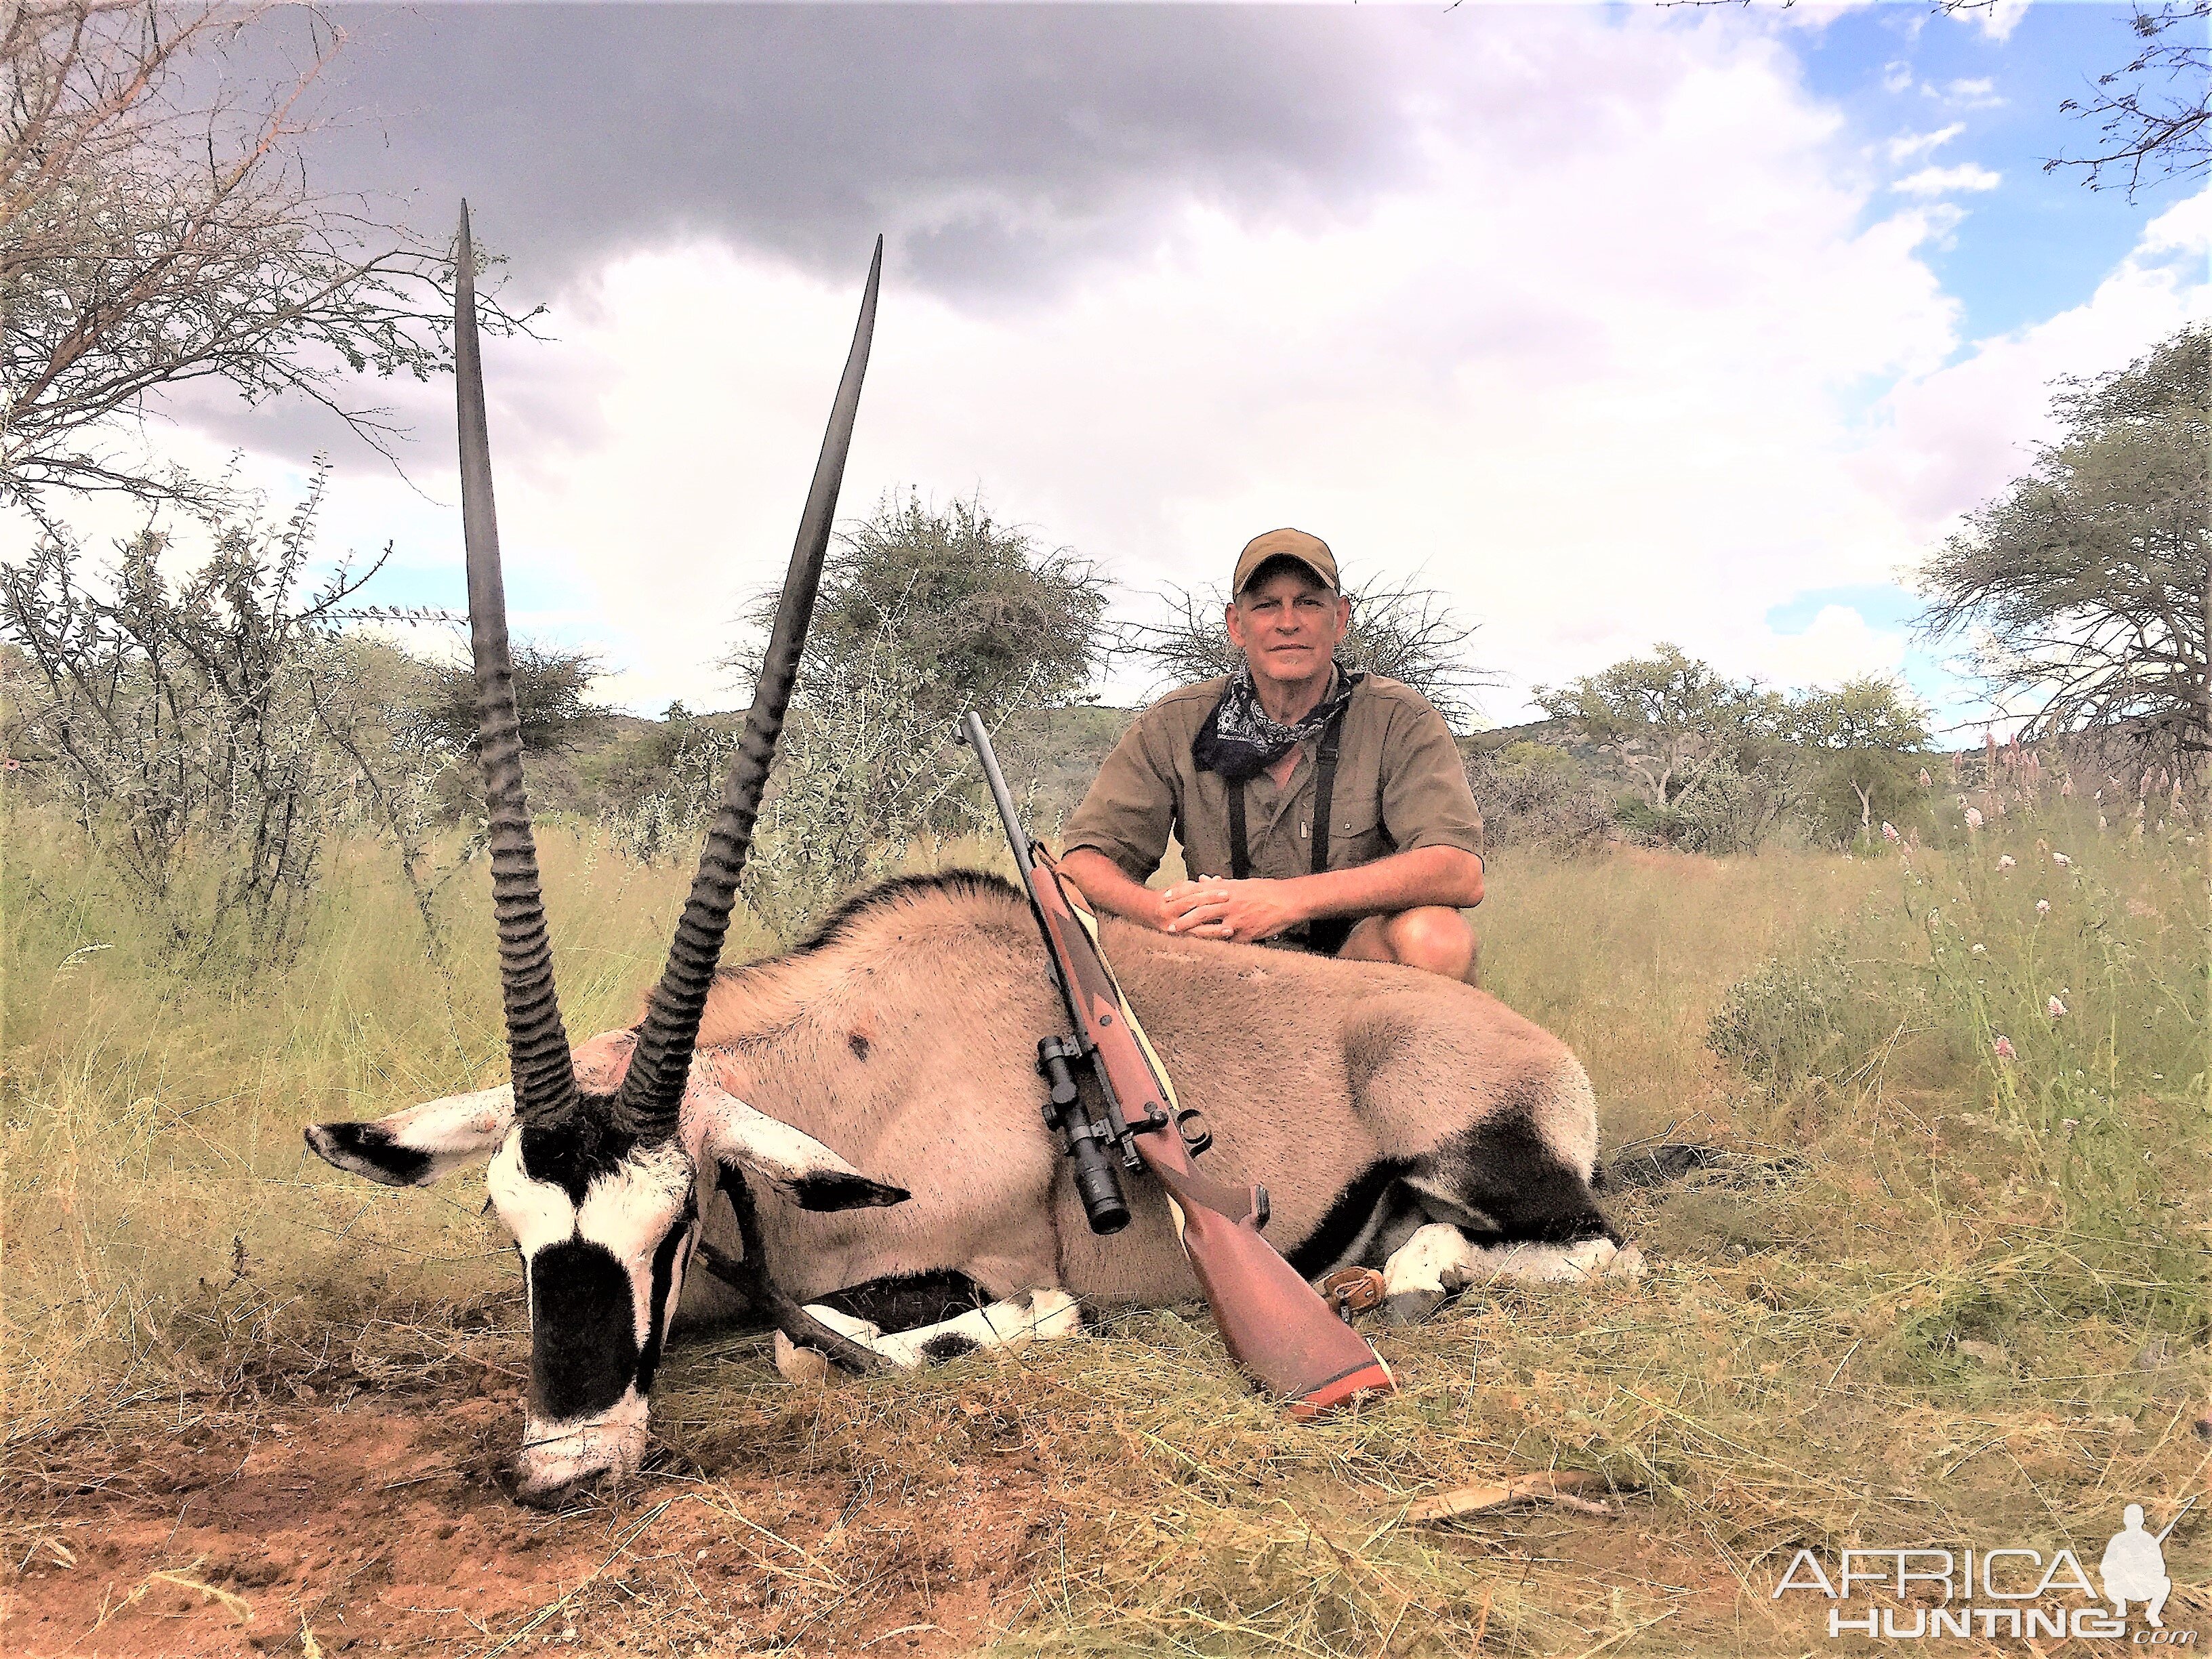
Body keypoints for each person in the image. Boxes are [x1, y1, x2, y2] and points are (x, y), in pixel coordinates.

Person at [1059, 528, 1486, 981]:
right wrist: (1160, 913)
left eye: (1309, 602)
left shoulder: (1400, 718)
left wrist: (1287, 901)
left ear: (1339, 618)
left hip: (1357, 977)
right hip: (1217, 967)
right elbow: (1083, 863)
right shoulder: (1175, 722)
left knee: (1437, 937)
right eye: (1266, 605)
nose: (1288, 622)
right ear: (1236, 625)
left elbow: (1458, 871)